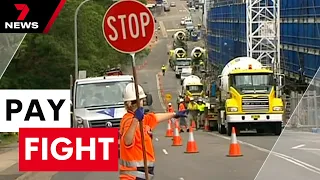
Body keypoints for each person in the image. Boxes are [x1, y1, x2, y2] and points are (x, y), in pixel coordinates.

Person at [119, 83, 187, 180]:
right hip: (133, 176)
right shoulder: (129, 121)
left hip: (142, 174)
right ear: (135, 102)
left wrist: (175, 114)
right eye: (142, 100)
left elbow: (155, 117)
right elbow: (127, 140)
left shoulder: (142, 119)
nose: (143, 102)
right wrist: (135, 120)